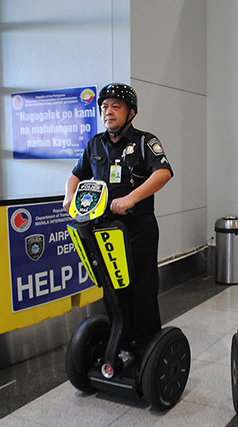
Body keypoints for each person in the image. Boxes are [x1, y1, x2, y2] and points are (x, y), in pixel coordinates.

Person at [62, 83, 173, 361]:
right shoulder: (95, 144)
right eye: (104, 107)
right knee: (113, 288)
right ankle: (120, 344)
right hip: (104, 229)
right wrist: (69, 195)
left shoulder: (145, 141)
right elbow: (76, 174)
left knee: (142, 290)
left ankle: (147, 350)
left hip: (137, 229)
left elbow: (163, 173)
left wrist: (132, 198)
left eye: (115, 106)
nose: (108, 112)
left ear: (131, 112)